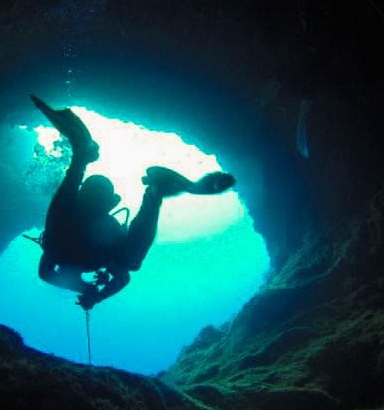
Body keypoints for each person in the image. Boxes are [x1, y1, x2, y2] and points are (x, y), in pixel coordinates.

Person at [30, 94, 236, 310]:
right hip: (75, 233)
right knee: (129, 260)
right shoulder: (101, 238)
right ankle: (152, 191)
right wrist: (92, 293)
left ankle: (85, 159)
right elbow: (120, 278)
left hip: (65, 234)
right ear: (111, 203)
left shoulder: (70, 235)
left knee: (61, 234)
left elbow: (45, 273)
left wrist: (88, 291)